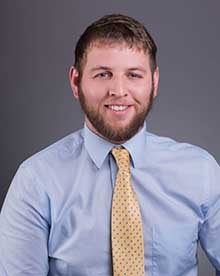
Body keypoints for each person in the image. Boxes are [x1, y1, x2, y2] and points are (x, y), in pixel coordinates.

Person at [0, 13, 220, 276]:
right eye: (103, 74)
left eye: (134, 75)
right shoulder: (36, 181)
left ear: (154, 82)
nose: (118, 90)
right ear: (75, 81)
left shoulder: (200, 171)